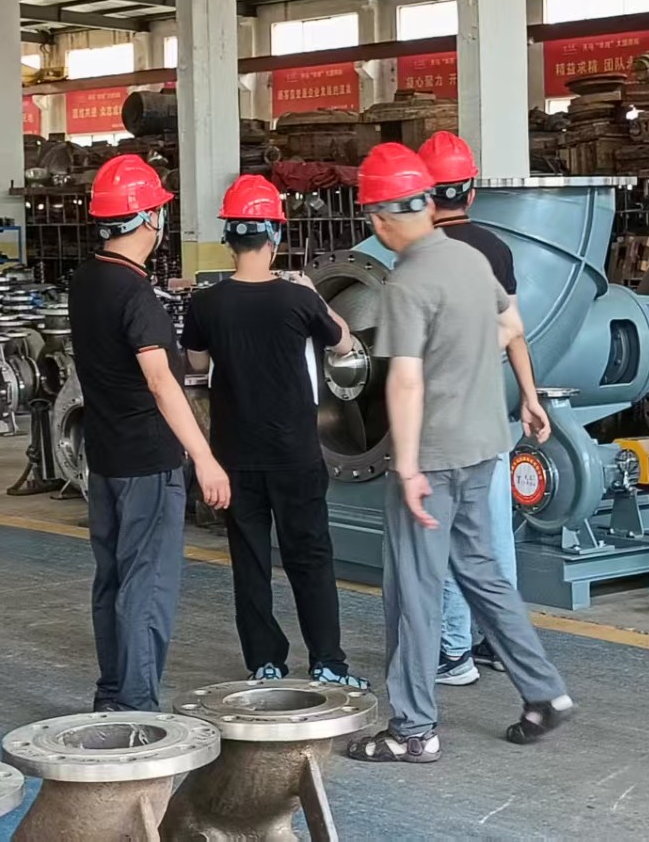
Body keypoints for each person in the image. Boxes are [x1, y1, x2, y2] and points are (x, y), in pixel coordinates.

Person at [345, 143, 572, 764]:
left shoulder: (407, 281)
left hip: (435, 456)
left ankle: (413, 730)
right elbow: (511, 327)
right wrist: (507, 385)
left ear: (381, 218)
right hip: (483, 447)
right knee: (482, 573)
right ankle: (544, 693)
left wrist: (407, 465)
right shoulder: (473, 259)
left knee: (414, 591)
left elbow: (405, 380)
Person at [181, 174, 367, 689]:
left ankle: (264, 661)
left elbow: (197, 363)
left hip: (234, 455)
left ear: (229, 238)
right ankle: (327, 662)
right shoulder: (297, 300)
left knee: (250, 560)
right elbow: (344, 343)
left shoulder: (206, 303)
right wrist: (313, 295)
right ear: (275, 236)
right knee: (310, 556)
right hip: (295, 454)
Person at [67, 154, 232, 713]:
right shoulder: (135, 295)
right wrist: (205, 457)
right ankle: (136, 704)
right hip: (147, 460)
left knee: (113, 576)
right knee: (148, 583)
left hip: (105, 455)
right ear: (147, 220)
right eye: (159, 212)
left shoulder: (86, 280)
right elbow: (162, 383)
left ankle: (112, 692)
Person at [418, 130, 551, 687]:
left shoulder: (420, 254)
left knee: (451, 534)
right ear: (471, 192)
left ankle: (454, 653)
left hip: (443, 413)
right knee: (494, 531)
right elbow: (513, 330)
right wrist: (530, 397)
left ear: (424, 194)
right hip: (491, 406)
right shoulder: (496, 249)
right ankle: (498, 641)